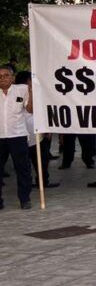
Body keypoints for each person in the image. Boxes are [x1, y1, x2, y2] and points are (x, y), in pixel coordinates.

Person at [15, 71, 58, 191]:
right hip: (29, 132)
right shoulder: (27, 92)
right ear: (28, 81)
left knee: (34, 161)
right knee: (39, 160)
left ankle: (38, 181)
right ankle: (40, 181)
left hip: (29, 132)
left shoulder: (28, 92)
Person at [0, 64, 34, 209]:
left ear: (13, 77)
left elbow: (30, 110)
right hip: (0, 137)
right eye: (0, 76)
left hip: (18, 136)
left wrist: (32, 93)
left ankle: (24, 199)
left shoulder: (22, 89)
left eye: (6, 75)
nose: (3, 79)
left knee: (23, 169)